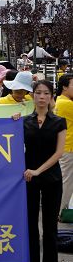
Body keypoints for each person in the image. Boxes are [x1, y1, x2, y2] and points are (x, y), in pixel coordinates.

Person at [12, 80, 66, 262]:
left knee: (50, 228)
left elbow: (59, 152)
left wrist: (38, 170)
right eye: (38, 93)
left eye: (46, 93)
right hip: (28, 179)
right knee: (30, 226)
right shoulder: (23, 121)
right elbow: (12, 145)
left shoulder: (59, 121)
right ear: (32, 96)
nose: (42, 97)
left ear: (51, 96)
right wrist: (12, 122)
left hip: (51, 178)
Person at [55, 74, 73, 214]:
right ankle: (60, 211)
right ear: (64, 87)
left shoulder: (60, 100)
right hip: (68, 148)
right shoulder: (66, 103)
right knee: (66, 182)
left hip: (65, 147)